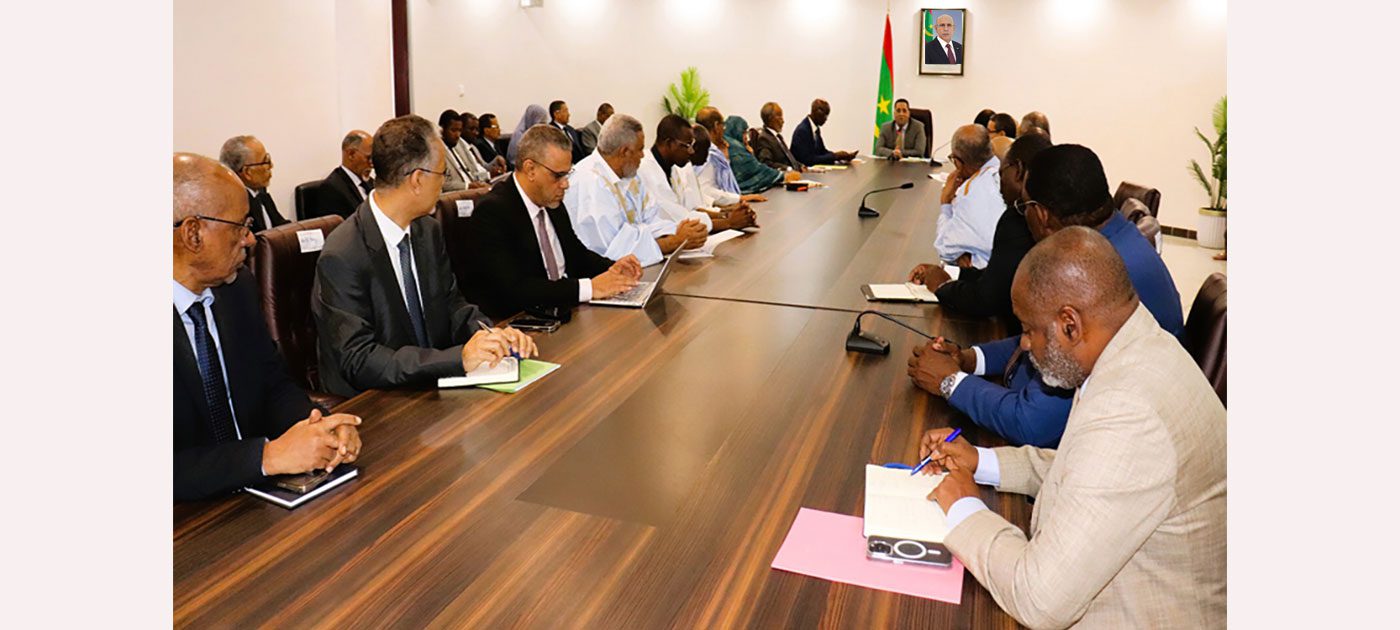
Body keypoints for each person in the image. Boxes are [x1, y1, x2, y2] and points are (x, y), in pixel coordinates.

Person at [917, 227, 1225, 628]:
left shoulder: (1130, 410)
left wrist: (964, 507)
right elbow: (1087, 469)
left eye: (1028, 329)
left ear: (1069, 324)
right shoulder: (1131, 345)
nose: (1024, 344)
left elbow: (1038, 599)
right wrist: (982, 461)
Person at [907, 144, 1185, 448]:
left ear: (1040, 214)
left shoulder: (1092, 275)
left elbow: (1033, 422)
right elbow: (1042, 337)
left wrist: (950, 382)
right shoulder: (1111, 242)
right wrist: (971, 359)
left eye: (1023, 207)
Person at [173, 152, 363, 501]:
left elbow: (273, 385)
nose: (250, 239)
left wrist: (320, 426)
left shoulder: (237, 288)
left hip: (254, 496)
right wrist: (266, 457)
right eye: (240, 226)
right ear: (193, 234)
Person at [312, 114, 537, 398]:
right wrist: (456, 359)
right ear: (418, 179)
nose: (443, 184)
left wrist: (491, 336)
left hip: (428, 389)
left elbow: (452, 304)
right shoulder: (343, 254)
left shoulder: (427, 231)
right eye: (442, 173)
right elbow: (359, 358)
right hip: (375, 403)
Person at [463, 125, 644, 318]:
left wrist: (613, 269)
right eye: (558, 175)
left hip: (563, 311)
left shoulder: (551, 201)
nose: (565, 184)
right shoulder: (493, 211)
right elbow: (515, 288)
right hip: (524, 321)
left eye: (567, 174)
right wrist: (589, 288)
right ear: (530, 169)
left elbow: (576, 255)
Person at [909, 131, 1051, 325]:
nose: (998, 184)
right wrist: (951, 272)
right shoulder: (1026, 212)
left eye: (1001, 172)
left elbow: (986, 299)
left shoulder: (1018, 219)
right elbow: (998, 275)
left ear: (1018, 170)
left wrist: (942, 284)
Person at [564, 113, 707, 266]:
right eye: (640, 149)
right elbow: (612, 250)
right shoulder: (590, 183)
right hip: (604, 272)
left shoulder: (629, 174)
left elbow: (652, 217)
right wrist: (674, 242)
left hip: (642, 265)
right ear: (624, 151)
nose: (643, 155)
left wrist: (678, 231)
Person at [638, 114, 758, 233]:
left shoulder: (673, 168)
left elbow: (689, 210)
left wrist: (728, 215)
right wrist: (728, 222)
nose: (691, 152)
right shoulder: (645, 170)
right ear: (669, 143)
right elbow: (678, 219)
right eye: (688, 146)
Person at [933, 124, 1004, 269]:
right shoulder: (1004, 172)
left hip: (989, 275)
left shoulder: (972, 190)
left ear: (958, 162)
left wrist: (946, 203)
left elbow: (945, 249)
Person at [694, 107, 786, 202]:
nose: (724, 130)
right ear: (716, 126)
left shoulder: (712, 149)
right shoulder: (707, 153)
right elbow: (707, 191)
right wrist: (741, 198)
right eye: (723, 125)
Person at [220, 135, 287, 231]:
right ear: (247, 172)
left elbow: (281, 225)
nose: (271, 166)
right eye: (265, 162)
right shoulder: (235, 205)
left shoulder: (260, 191)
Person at [320, 130, 374, 219]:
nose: (372, 164)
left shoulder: (371, 183)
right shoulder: (332, 188)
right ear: (351, 154)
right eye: (369, 158)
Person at [789, 99, 857, 166]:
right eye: (825, 115)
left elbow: (822, 151)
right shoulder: (802, 131)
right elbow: (808, 160)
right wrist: (835, 156)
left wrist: (841, 157)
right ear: (817, 113)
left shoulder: (815, 128)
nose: (826, 119)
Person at [438, 109, 490, 192]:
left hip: (475, 188)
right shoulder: (436, 152)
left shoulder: (460, 144)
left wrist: (486, 178)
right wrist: (467, 186)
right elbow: (441, 184)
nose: (457, 135)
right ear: (441, 129)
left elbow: (474, 170)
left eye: (459, 130)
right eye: (453, 130)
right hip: (459, 193)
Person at [751, 102, 806, 172]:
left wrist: (800, 166)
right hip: (784, 175)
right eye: (780, 117)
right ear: (771, 119)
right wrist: (788, 168)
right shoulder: (764, 138)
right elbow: (766, 163)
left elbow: (789, 159)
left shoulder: (778, 137)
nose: (783, 121)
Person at [460, 113, 506, 178]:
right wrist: (489, 174)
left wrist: (496, 160)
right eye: (472, 129)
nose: (476, 133)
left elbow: (484, 166)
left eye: (477, 129)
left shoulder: (473, 147)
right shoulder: (459, 149)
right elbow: (470, 175)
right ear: (461, 129)